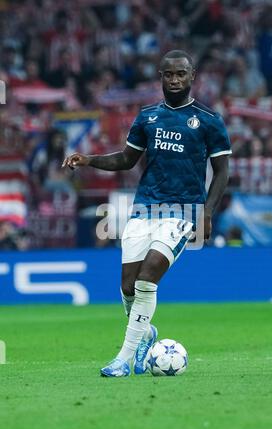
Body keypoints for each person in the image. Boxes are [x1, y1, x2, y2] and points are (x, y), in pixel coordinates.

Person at [62, 50, 231, 377]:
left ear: (192, 75)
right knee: (128, 285)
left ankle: (122, 360)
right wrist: (89, 159)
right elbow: (126, 159)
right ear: (161, 76)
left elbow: (222, 172)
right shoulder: (148, 117)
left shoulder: (209, 120)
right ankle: (145, 333)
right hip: (145, 207)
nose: (175, 80)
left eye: (181, 73)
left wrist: (207, 212)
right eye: (169, 74)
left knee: (149, 274)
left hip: (183, 210)